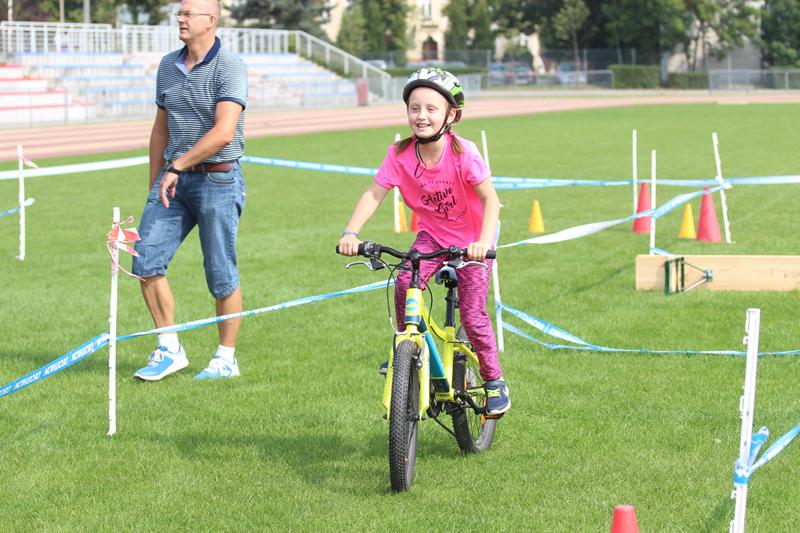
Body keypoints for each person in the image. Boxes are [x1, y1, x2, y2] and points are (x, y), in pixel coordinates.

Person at [337, 68, 510, 417]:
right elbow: (374, 194)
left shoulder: (463, 153)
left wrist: (481, 242)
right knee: (404, 281)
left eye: (431, 108)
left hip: (473, 239)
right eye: (414, 108)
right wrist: (350, 233)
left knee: (472, 314)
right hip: (433, 235)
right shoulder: (399, 154)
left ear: (452, 115)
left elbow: (491, 200)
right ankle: (406, 351)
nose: (421, 116)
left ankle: (494, 381)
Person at [131, 0, 248, 381]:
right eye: (179, 13)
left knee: (220, 272)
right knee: (145, 259)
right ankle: (169, 348)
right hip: (172, 181)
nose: (180, 19)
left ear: (210, 20)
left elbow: (224, 132)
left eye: (188, 14)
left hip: (219, 180)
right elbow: (160, 129)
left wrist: (177, 166)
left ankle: (225, 359)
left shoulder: (229, 66)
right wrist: (156, 181)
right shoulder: (168, 65)